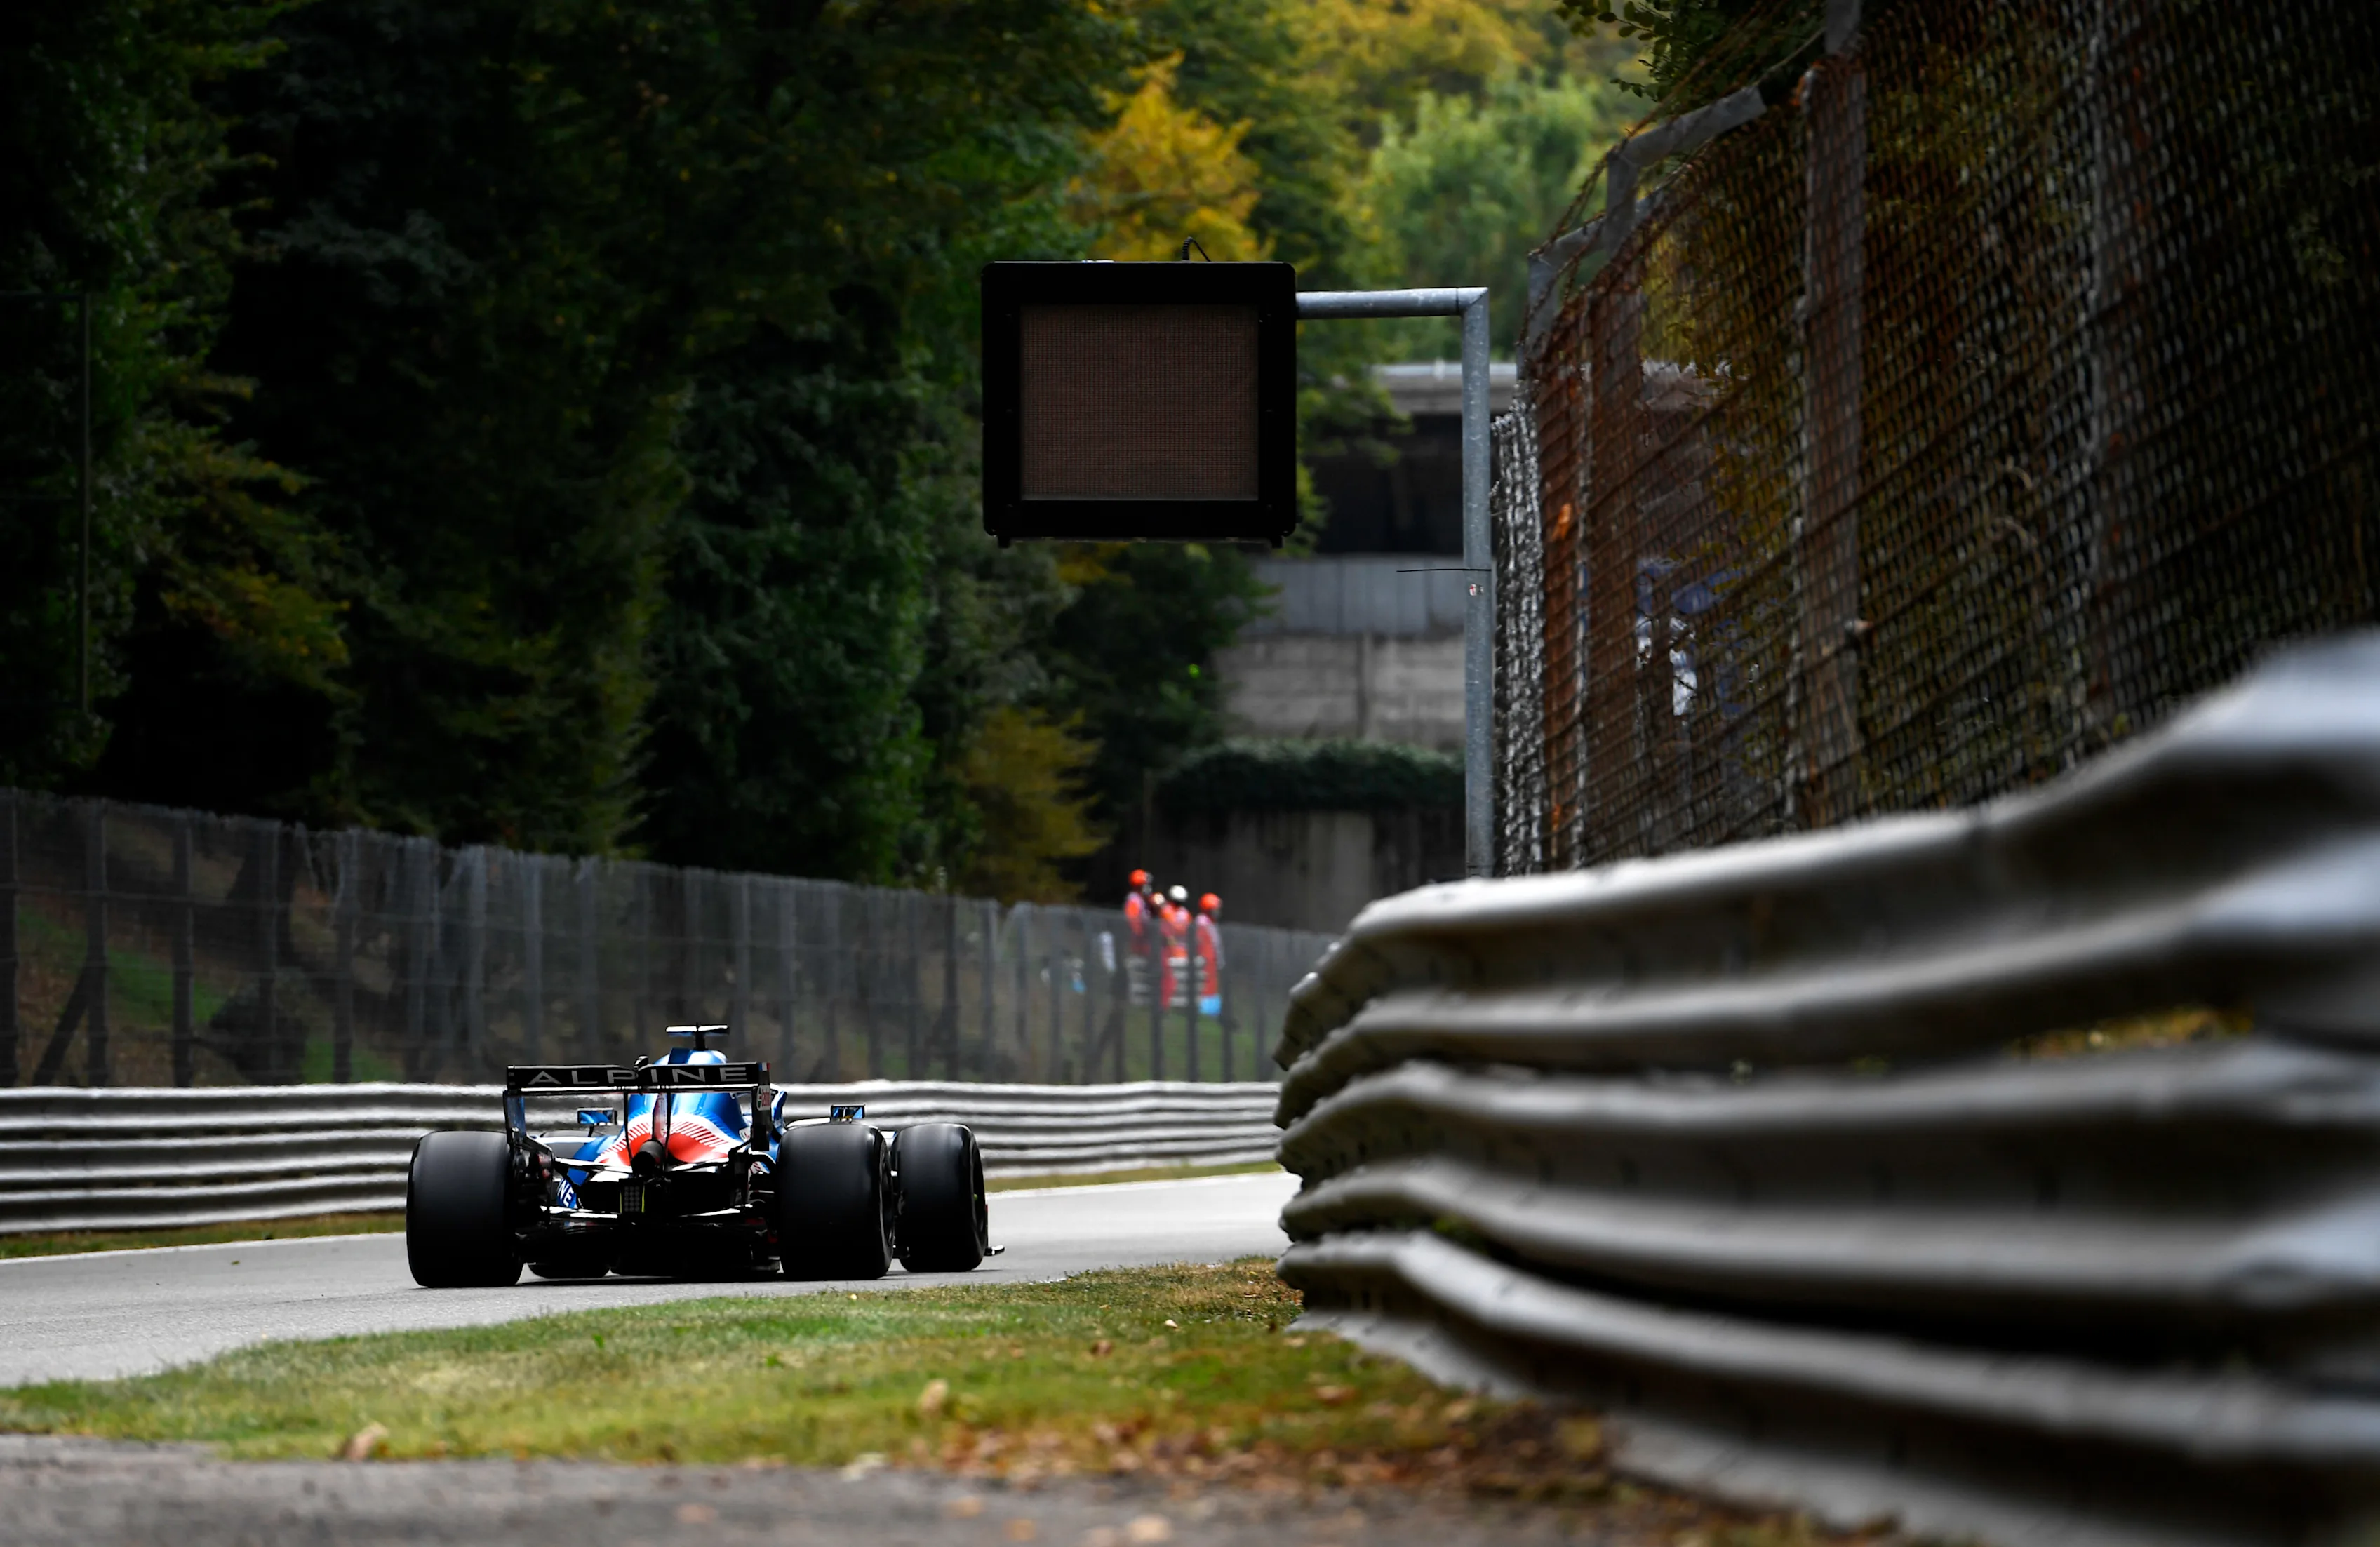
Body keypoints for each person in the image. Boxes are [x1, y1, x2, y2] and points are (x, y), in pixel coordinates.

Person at [1160, 884, 1193, 1010]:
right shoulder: (1166, 910)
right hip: (1168, 947)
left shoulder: (1185, 914)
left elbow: (1189, 929)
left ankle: (1182, 1004)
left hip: (1183, 948)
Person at [1194, 893, 1224, 1018]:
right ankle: (1206, 1011)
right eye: (1215, 908)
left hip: (1213, 961)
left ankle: (1213, 1011)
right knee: (1206, 986)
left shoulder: (1212, 924)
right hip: (1206, 961)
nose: (1217, 911)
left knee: (1213, 986)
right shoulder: (1202, 922)